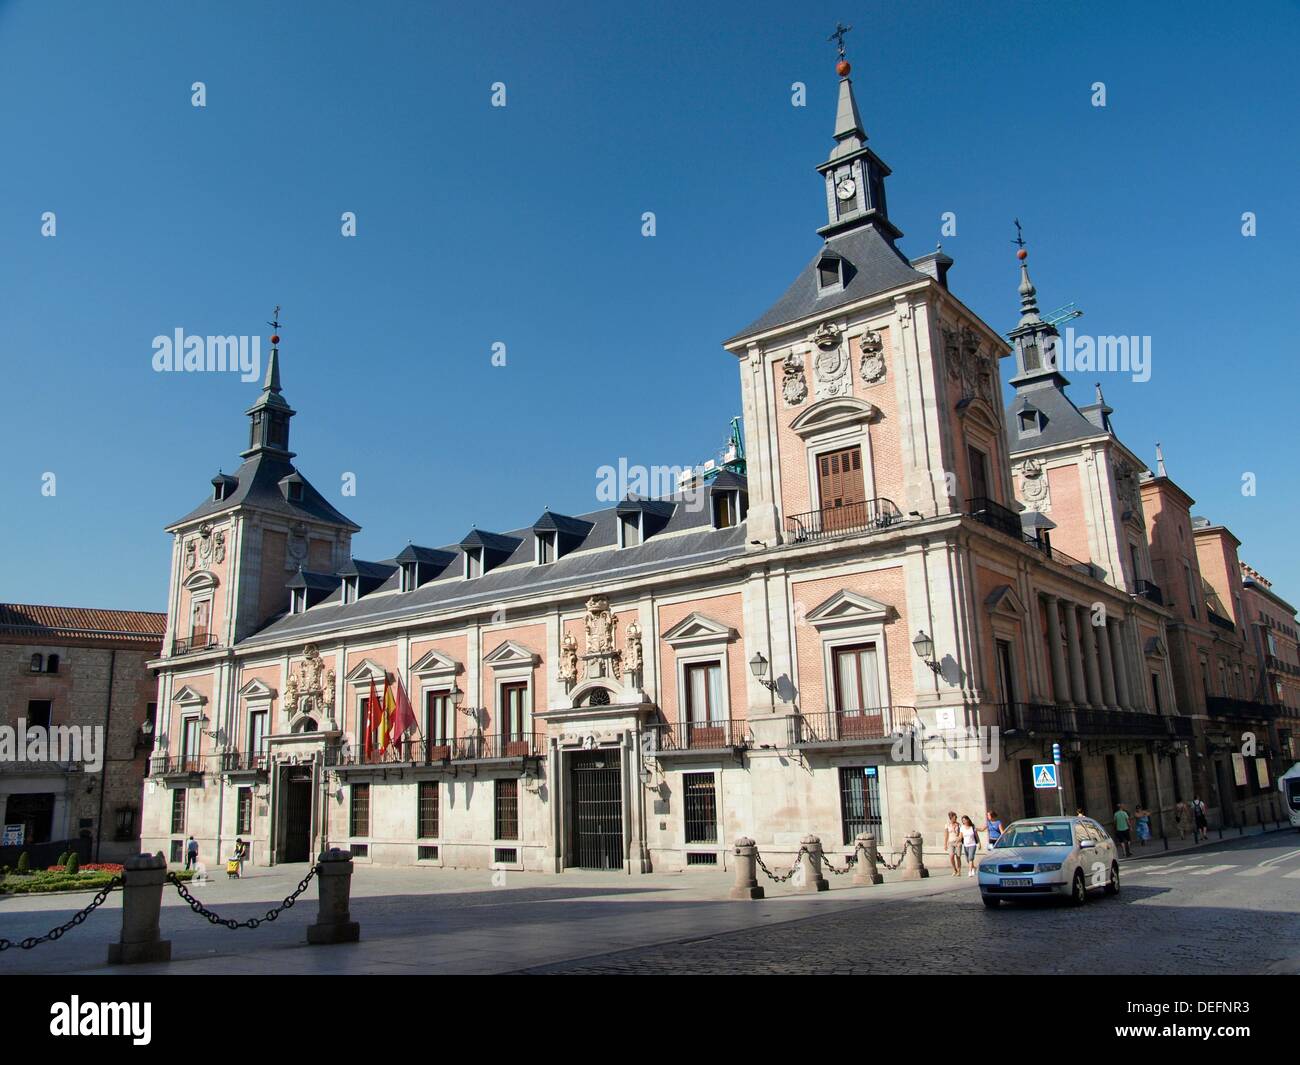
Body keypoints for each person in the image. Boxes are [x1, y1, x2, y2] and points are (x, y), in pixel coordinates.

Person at [943, 811, 963, 876]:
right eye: (955, 817)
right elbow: (946, 835)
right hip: (950, 842)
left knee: (958, 856)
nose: (956, 818)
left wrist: (955, 829)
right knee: (951, 856)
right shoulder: (947, 825)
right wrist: (945, 844)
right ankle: (955, 869)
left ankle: (959, 871)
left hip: (958, 842)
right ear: (951, 818)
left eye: (956, 817)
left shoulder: (959, 825)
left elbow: (960, 834)